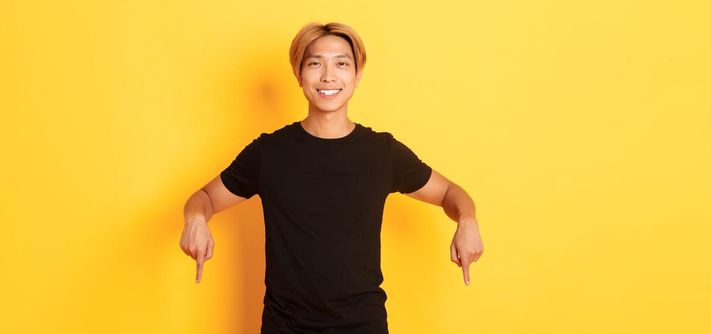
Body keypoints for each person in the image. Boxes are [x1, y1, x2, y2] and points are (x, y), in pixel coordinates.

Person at [180, 22, 484, 333]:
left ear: (357, 76)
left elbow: (450, 194)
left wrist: (467, 220)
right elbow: (204, 198)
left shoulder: (382, 153)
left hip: (363, 324)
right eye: (315, 63)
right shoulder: (268, 153)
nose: (328, 76)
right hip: (285, 325)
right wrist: (195, 219)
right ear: (299, 75)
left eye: (341, 63)